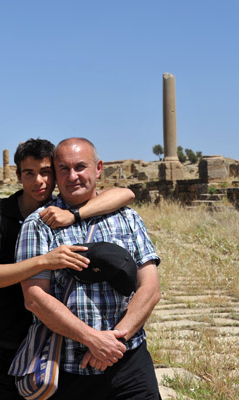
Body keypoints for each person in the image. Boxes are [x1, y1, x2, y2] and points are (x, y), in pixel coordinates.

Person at [0, 138, 136, 400]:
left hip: (31, 346)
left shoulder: (56, 213)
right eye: (29, 173)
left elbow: (127, 194)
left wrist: (74, 215)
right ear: (18, 175)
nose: (39, 181)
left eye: (45, 172)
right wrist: (45, 261)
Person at [17, 137, 161, 399]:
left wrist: (115, 341)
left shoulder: (127, 217)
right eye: (64, 169)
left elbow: (150, 287)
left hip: (129, 363)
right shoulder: (37, 224)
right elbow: (35, 298)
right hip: (68, 368)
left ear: (98, 169)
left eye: (80, 167)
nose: (73, 176)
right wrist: (93, 340)